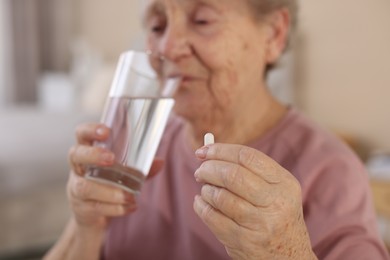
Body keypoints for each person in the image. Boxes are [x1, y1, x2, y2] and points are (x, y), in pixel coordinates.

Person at [44, 0, 389, 259]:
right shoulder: (133, 150)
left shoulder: (332, 170)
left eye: (203, 20)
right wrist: (84, 227)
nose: (167, 47)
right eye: (157, 25)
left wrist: (290, 252)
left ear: (274, 34)